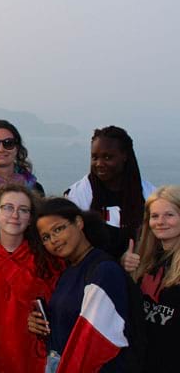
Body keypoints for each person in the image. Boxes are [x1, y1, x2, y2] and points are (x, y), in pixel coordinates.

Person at [0, 184, 61, 373]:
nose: (15, 215)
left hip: (34, 361)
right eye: (8, 208)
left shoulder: (44, 256)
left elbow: (53, 303)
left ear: (31, 219)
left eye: (23, 210)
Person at [28, 197, 131, 372]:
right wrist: (38, 322)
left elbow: (99, 340)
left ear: (78, 222)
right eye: (46, 237)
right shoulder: (68, 272)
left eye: (58, 229)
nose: (53, 240)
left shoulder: (103, 271)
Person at [65, 125, 155, 259]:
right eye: (95, 157)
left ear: (125, 156)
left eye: (107, 157)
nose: (99, 163)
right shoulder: (77, 194)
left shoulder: (149, 194)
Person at [126, 186, 180, 373]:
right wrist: (125, 271)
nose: (160, 222)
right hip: (145, 361)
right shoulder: (145, 259)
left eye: (169, 215)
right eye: (154, 216)